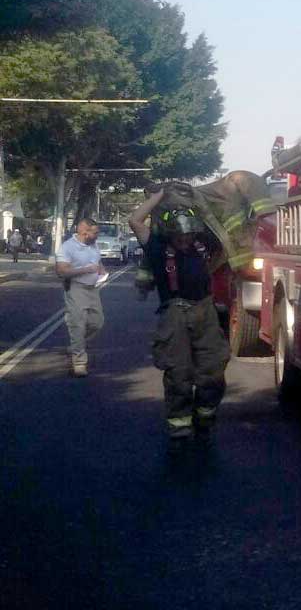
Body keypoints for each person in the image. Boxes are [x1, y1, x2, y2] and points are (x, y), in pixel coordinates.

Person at [129, 190, 230, 444]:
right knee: (178, 375)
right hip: (175, 314)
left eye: (189, 233)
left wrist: (194, 197)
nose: (185, 239)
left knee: (214, 371)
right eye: (180, 234)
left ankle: (204, 417)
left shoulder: (204, 244)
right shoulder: (157, 248)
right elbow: (135, 221)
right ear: (171, 233)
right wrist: (162, 195)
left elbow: (218, 223)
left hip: (205, 311)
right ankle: (179, 425)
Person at [55, 219, 105, 377]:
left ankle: (77, 344)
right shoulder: (67, 248)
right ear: (85, 232)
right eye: (95, 233)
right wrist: (86, 269)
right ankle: (79, 362)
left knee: (97, 323)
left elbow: (98, 261)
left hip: (93, 289)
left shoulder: (93, 244)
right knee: (78, 325)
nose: (97, 235)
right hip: (76, 288)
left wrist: (101, 270)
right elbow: (61, 271)